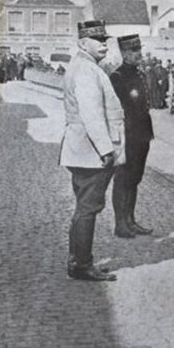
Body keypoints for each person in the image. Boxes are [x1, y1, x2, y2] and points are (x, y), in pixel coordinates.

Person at [59, 20, 125, 282]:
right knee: (88, 207)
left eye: (105, 40)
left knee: (84, 207)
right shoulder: (86, 71)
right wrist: (106, 149)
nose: (104, 45)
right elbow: (92, 114)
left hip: (82, 149)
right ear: (82, 43)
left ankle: (77, 260)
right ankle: (82, 265)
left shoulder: (84, 66)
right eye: (98, 41)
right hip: (91, 152)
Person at [109, 35, 155, 240]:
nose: (140, 54)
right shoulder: (118, 77)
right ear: (125, 54)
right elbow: (118, 109)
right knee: (123, 179)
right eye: (135, 51)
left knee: (135, 178)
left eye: (140, 50)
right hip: (127, 135)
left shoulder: (139, 73)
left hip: (142, 134)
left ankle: (131, 220)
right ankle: (120, 224)